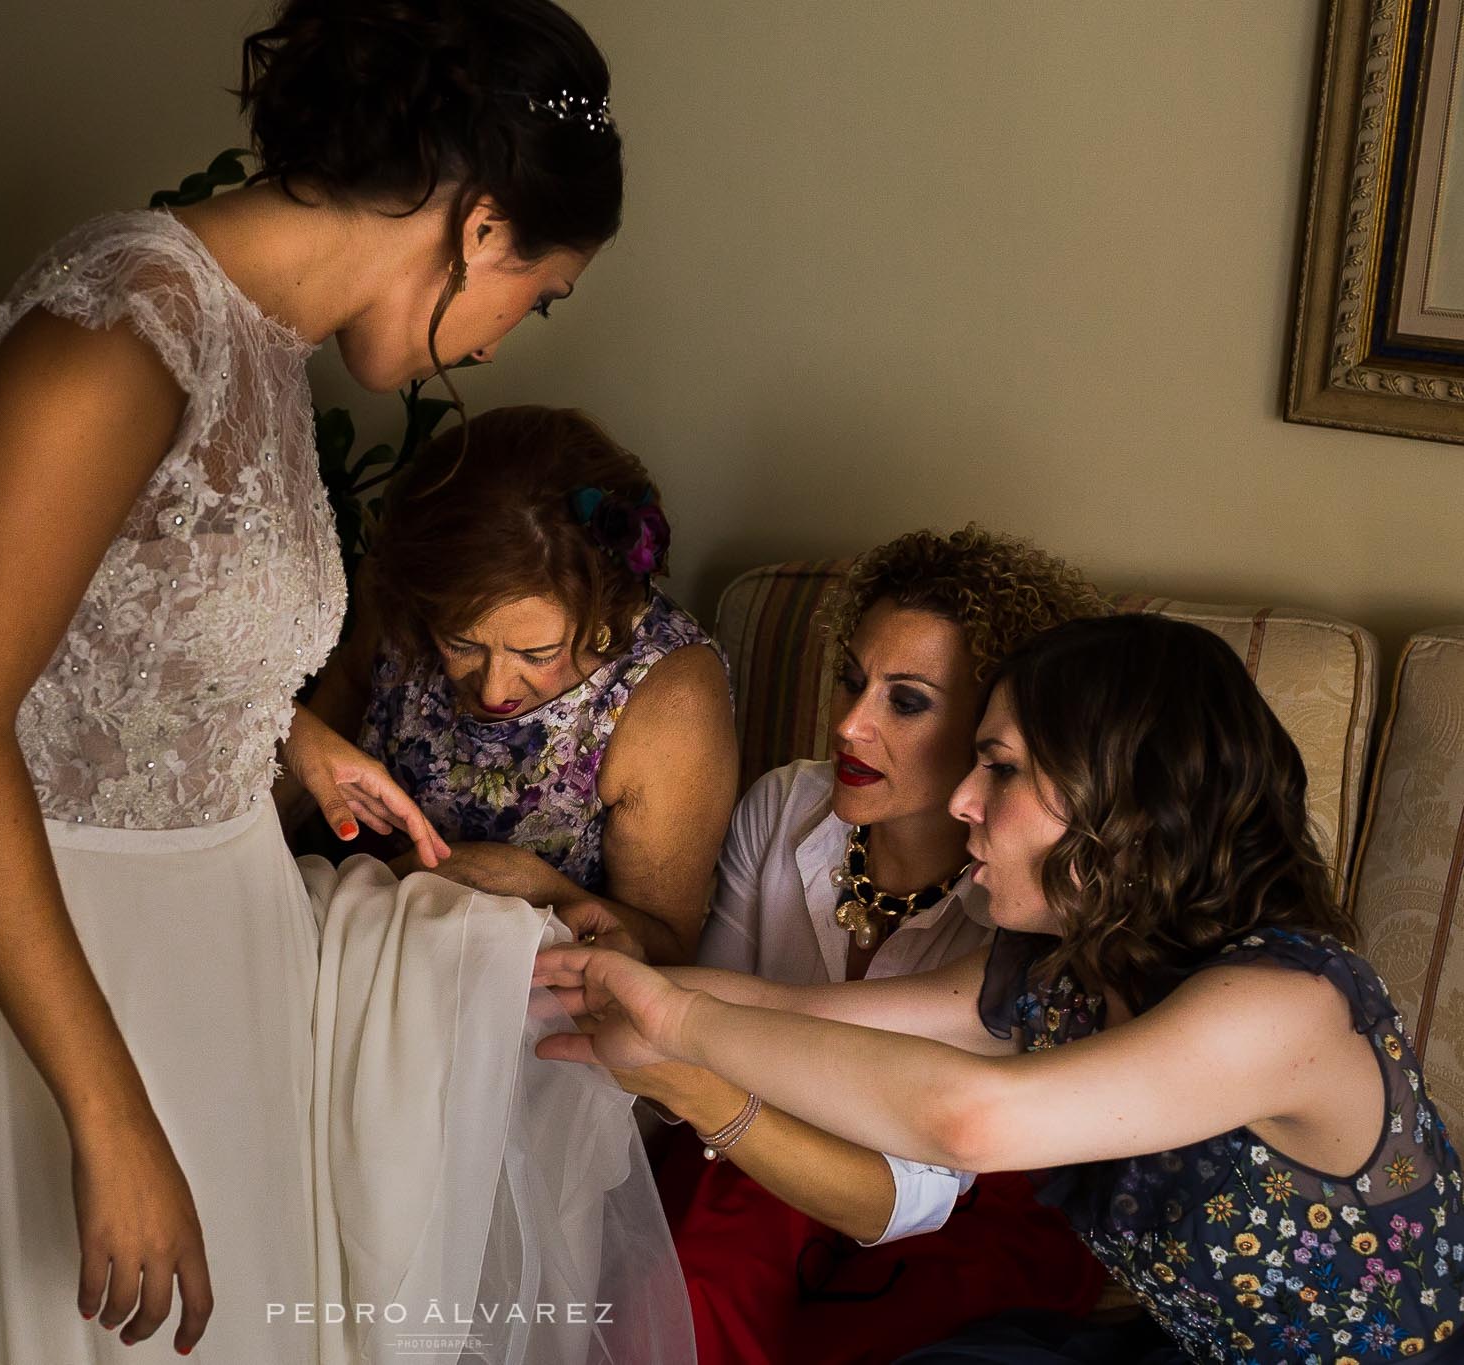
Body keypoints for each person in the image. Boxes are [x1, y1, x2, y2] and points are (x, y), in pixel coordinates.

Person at [0, 3, 689, 1362]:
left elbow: (109, 626)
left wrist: (271, 729)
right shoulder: (118, 333)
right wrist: (109, 1117)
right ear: (484, 226)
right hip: (60, 974)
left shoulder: (264, 349)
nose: (506, 338)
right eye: (540, 292)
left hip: (222, 945)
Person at [534, 612, 1464, 1364]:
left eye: (1003, 768)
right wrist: (585, 979)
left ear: (1128, 800)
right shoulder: (1067, 968)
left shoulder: (1284, 1002)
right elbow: (797, 1008)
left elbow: (970, 1118)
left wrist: (678, 1023)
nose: (961, 801)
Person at [627, 526, 1113, 1362]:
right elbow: (704, 1011)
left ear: (996, 725)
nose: (849, 723)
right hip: (747, 1158)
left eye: (907, 700)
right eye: (852, 679)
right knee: (702, 1241)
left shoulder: (1023, 894)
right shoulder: (783, 807)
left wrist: (697, 1061)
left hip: (954, 1203)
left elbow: (920, 1171)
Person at [291, 403, 738, 966]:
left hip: (516, 999)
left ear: (605, 612)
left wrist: (536, 887)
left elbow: (668, 951)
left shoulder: (671, 696)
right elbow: (346, 692)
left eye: (537, 653)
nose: (493, 687)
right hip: (333, 929)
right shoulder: (408, 594)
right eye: (461, 644)